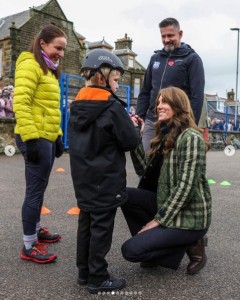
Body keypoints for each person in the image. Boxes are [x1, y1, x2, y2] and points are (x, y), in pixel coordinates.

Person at [68, 49, 141, 294]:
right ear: (102, 77)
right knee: (102, 227)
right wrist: (133, 126)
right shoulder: (110, 107)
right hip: (106, 179)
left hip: (84, 179)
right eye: (116, 79)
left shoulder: (77, 104)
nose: (118, 85)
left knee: (86, 222)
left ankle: (84, 272)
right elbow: (130, 141)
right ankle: (98, 277)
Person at [121, 86, 212, 275]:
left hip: (190, 218)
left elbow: (186, 186)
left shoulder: (191, 137)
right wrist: (135, 137)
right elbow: (143, 171)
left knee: (130, 251)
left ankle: (193, 242)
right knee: (125, 195)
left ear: (178, 105)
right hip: (166, 202)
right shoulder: (165, 135)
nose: (159, 106)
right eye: (158, 102)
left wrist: (157, 221)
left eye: (165, 102)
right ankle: (157, 250)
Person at [13, 24, 67, 264]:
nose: (61, 54)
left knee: (39, 187)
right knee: (35, 191)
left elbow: (49, 109)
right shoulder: (30, 65)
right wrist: (31, 138)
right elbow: (21, 103)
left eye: (64, 49)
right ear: (42, 43)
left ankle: (36, 229)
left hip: (46, 135)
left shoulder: (49, 69)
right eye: (58, 48)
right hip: (34, 136)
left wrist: (57, 135)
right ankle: (29, 244)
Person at [136, 17, 205, 152]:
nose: (167, 40)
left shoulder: (192, 59)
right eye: (163, 36)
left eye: (170, 35)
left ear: (180, 34)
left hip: (177, 122)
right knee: (146, 164)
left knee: (170, 165)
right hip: (152, 121)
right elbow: (145, 91)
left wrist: (190, 125)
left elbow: (197, 96)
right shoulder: (155, 58)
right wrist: (140, 119)